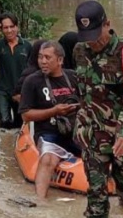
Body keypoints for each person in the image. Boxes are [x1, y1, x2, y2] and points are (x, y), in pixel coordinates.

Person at [72, 0, 123, 217]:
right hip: (92, 136)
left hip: (122, 138)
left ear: (108, 24)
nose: (92, 42)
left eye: (96, 35)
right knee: (96, 199)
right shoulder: (79, 50)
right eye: (87, 37)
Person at [19, 41, 80, 200]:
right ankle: (40, 203)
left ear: (60, 60)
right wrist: (53, 111)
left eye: (47, 57)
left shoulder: (74, 77)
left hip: (75, 130)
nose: (43, 61)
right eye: (40, 57)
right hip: (49, 132)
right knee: (47, 160)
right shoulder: (31, 81)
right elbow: (26, 115)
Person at [0, 12, 32, 130]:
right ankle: (4, 147)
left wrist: (27, 93)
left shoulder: (27, 46)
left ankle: (12, 147)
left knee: (19, 127)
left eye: (12, 26)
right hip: (3, 91)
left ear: (17, 27)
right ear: (1, 29)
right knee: (4, 125)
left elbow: (32, 71)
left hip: (20, 92)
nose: (9, 30)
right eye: (5, 27)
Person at [13, 39, 48, 104]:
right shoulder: (29, 73)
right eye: (41, 56)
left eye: (48, 57)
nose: (44, 61)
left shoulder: (52, 72)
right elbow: (16, 95)